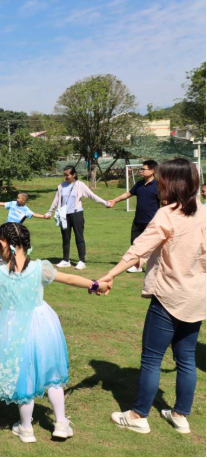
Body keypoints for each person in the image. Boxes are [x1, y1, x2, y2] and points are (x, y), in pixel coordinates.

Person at [0, 223, 110, 443]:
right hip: (44, 325)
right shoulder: (40, 268)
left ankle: (26, 428)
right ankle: (60, 423)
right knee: (52, 376)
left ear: (3, 243)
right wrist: (96, 285)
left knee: (23, 376)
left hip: (12, 328)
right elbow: (69, 278)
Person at [101, 158, 205, 435]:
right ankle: (180, 415)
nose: (158, 182)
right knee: (186, 359)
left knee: (151, 359)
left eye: (162, 178)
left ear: (171, 182)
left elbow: (137, 250)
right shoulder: (203, 213)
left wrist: (109, 275)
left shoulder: (167, 214)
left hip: (169, 297)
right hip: (196, 298)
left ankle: (138, 415)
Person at [45, 166, 111, 270]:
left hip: (76, 214)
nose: (65, 177)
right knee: (65, 238)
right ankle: (66, 260)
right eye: (64, 175)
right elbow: (56, 200)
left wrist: (105, 203)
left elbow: (92, 195)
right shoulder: (61, 186)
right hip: (63, 215)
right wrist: (49, 211)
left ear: (74, 175)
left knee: (79, 237)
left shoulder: (80, 185)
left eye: (67, 175)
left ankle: (81, 261)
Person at [107, 160, 160, 273]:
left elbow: (165, 202)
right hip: (138, 220)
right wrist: (115, 200)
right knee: (135, 244)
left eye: (143, 169)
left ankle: (158, 267)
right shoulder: (139, 184)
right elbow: (128, 194)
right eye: (141, 169)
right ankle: (137, 266)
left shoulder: (158, 186)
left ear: (152, 171)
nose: (141, 171)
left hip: (152, 222)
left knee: (153, 246)